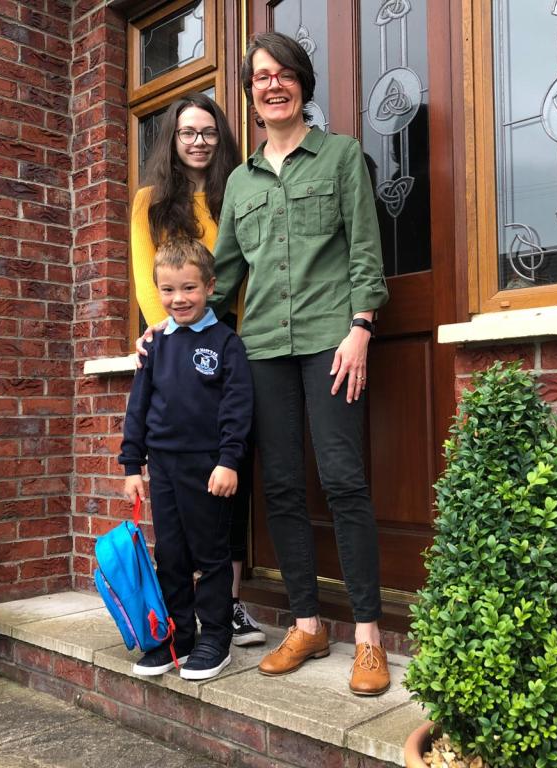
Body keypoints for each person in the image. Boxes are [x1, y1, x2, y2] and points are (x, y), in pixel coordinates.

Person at [210, 32, 391, 696]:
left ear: (302, 84)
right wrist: (170, 331)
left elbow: (365, 249)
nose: (273, 85)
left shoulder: (340, 156)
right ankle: (308, 624)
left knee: (344, 481)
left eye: (284, 73)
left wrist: (361, 327)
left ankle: (368, 636)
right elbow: (225, 274)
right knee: (282, 488)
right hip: (262, 348)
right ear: (251, 94)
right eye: (262, 77)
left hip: (329, 342)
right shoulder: (240, 181)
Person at [131, 92, 266, 648]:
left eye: (208, 132)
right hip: (175, 339)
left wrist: (227, 324)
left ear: (220, 138)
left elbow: (240, 265)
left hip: (229, 334)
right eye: (188, 132)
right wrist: (159, 328)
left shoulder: (235, 189)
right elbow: (147, 274)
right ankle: (182, 618)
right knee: (180, 501)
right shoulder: (149, 202)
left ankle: (227, 605)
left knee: (229, 473)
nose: (198, 141)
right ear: (173, 139)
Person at [120, 238, 254, 681]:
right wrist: (132, 466)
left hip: (209, 468)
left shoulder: (226, 343)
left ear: (210, 287)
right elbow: (138, 407)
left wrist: (229, 461)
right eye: (168, 290)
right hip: (162, 468)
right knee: (171, 555)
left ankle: (216, 637)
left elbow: (238, 409)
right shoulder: (154, 345)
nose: (179, 299)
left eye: (189, 288)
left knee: (211, 554)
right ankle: (178, 637)